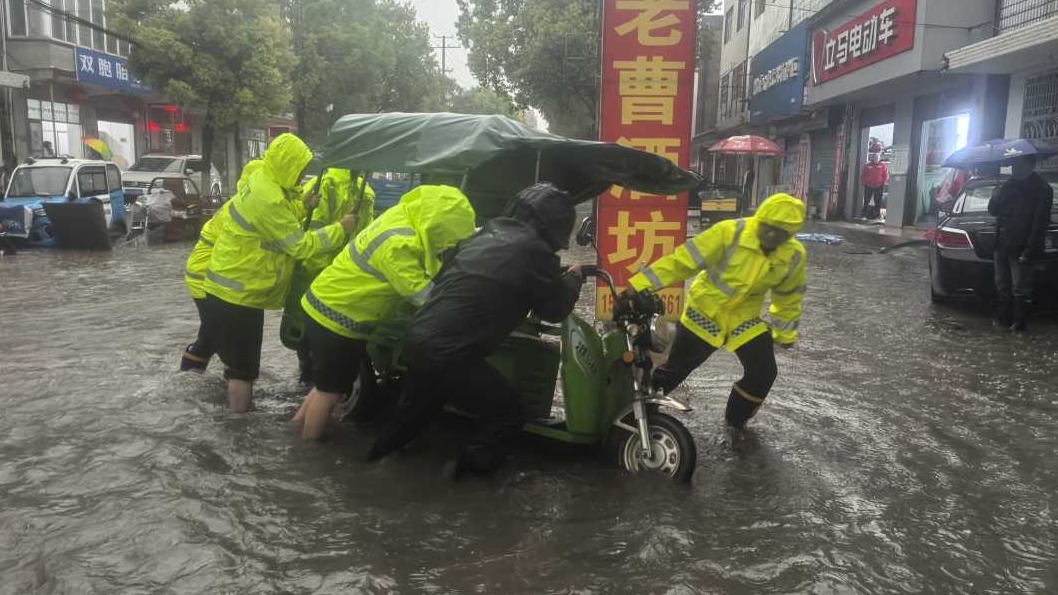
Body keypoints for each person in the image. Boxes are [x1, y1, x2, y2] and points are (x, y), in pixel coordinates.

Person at [366, 183, 584, 477]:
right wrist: (572, 281)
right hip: (452, 355)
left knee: (413, 414)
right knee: (508, 415)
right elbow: (555, 310)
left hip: (419, 339)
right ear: (553, 228)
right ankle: (464, 478)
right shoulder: (536, 255)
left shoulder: (483, 235)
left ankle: (371, 466)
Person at [293, 185, 476, 440]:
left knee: (327, 384)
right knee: (331, 393)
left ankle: (297, 428)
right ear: (437, 224)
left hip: (327, 309)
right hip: (334, 318)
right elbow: (421, 294)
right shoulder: (398, 244)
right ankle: (308, 450)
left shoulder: (404, 216)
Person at [621, 193, 807, 429]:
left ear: (790, 235)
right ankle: (636, 419)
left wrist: (785, 336)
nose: (772, 236)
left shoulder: (793, 255)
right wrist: (639, 285)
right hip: (704, 313)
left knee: (764, 372)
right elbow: (682, 261)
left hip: (743, 319)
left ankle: (735, 423)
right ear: (760, 218)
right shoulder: (729, 233)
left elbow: (789, 297)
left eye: (780, 234)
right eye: (768, 228)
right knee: (672, 374)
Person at [200, 133, 357, 413]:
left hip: (234, 293)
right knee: (242, 371)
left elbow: (274, 221)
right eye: (298, 171)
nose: (300, 179)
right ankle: (239, 428)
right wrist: (340, 228)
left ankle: (240, 421)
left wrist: (303, 205)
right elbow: (301, 245)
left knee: (242, 367)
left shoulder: (264, 180)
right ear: (286, 166)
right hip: (235, 296)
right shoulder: (268, 198)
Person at [290, 168, 376, 384]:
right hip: (316, 267)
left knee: (320, 331)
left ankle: (312, 377)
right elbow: (307, 228)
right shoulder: (325, 184)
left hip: (342, 269)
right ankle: (309, 374)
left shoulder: (366, 192)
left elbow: (367, 230)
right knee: (309, 329)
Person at [179, 160, 265, 372]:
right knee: (219, 338)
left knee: (211, 335)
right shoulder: (244, 208)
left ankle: (190, 383)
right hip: (205, 278)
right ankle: (200, 383)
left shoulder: (244, 203)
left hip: (208, 276)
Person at [987, 155, 1054, 332]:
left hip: (1023, 247)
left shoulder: (1042, 189)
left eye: (1019, 165)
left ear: (1031, 165)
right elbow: (994, 211)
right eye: (1013, 165)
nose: (1015, 169)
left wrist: (1029, 251)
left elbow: (1040, 223)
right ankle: (1003, 322)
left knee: (1020, 288)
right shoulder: (1008, 185)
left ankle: (1019, 326)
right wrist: (994, 198)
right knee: (1002, 285)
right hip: (1001, 244)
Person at [860, 152, 889, 220]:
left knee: (878, 200)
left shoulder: (883, 165)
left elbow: (886, 175)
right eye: (874, 157)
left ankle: (877, 215)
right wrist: (864, 183)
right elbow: (863, 175)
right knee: (866, 200)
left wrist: (883, 182)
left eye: (877, 157)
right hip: (869, 186)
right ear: (872, 158)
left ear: (879, 158)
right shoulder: (867, 166)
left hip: (879, 186)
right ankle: (864, 214)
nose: (875, 159)